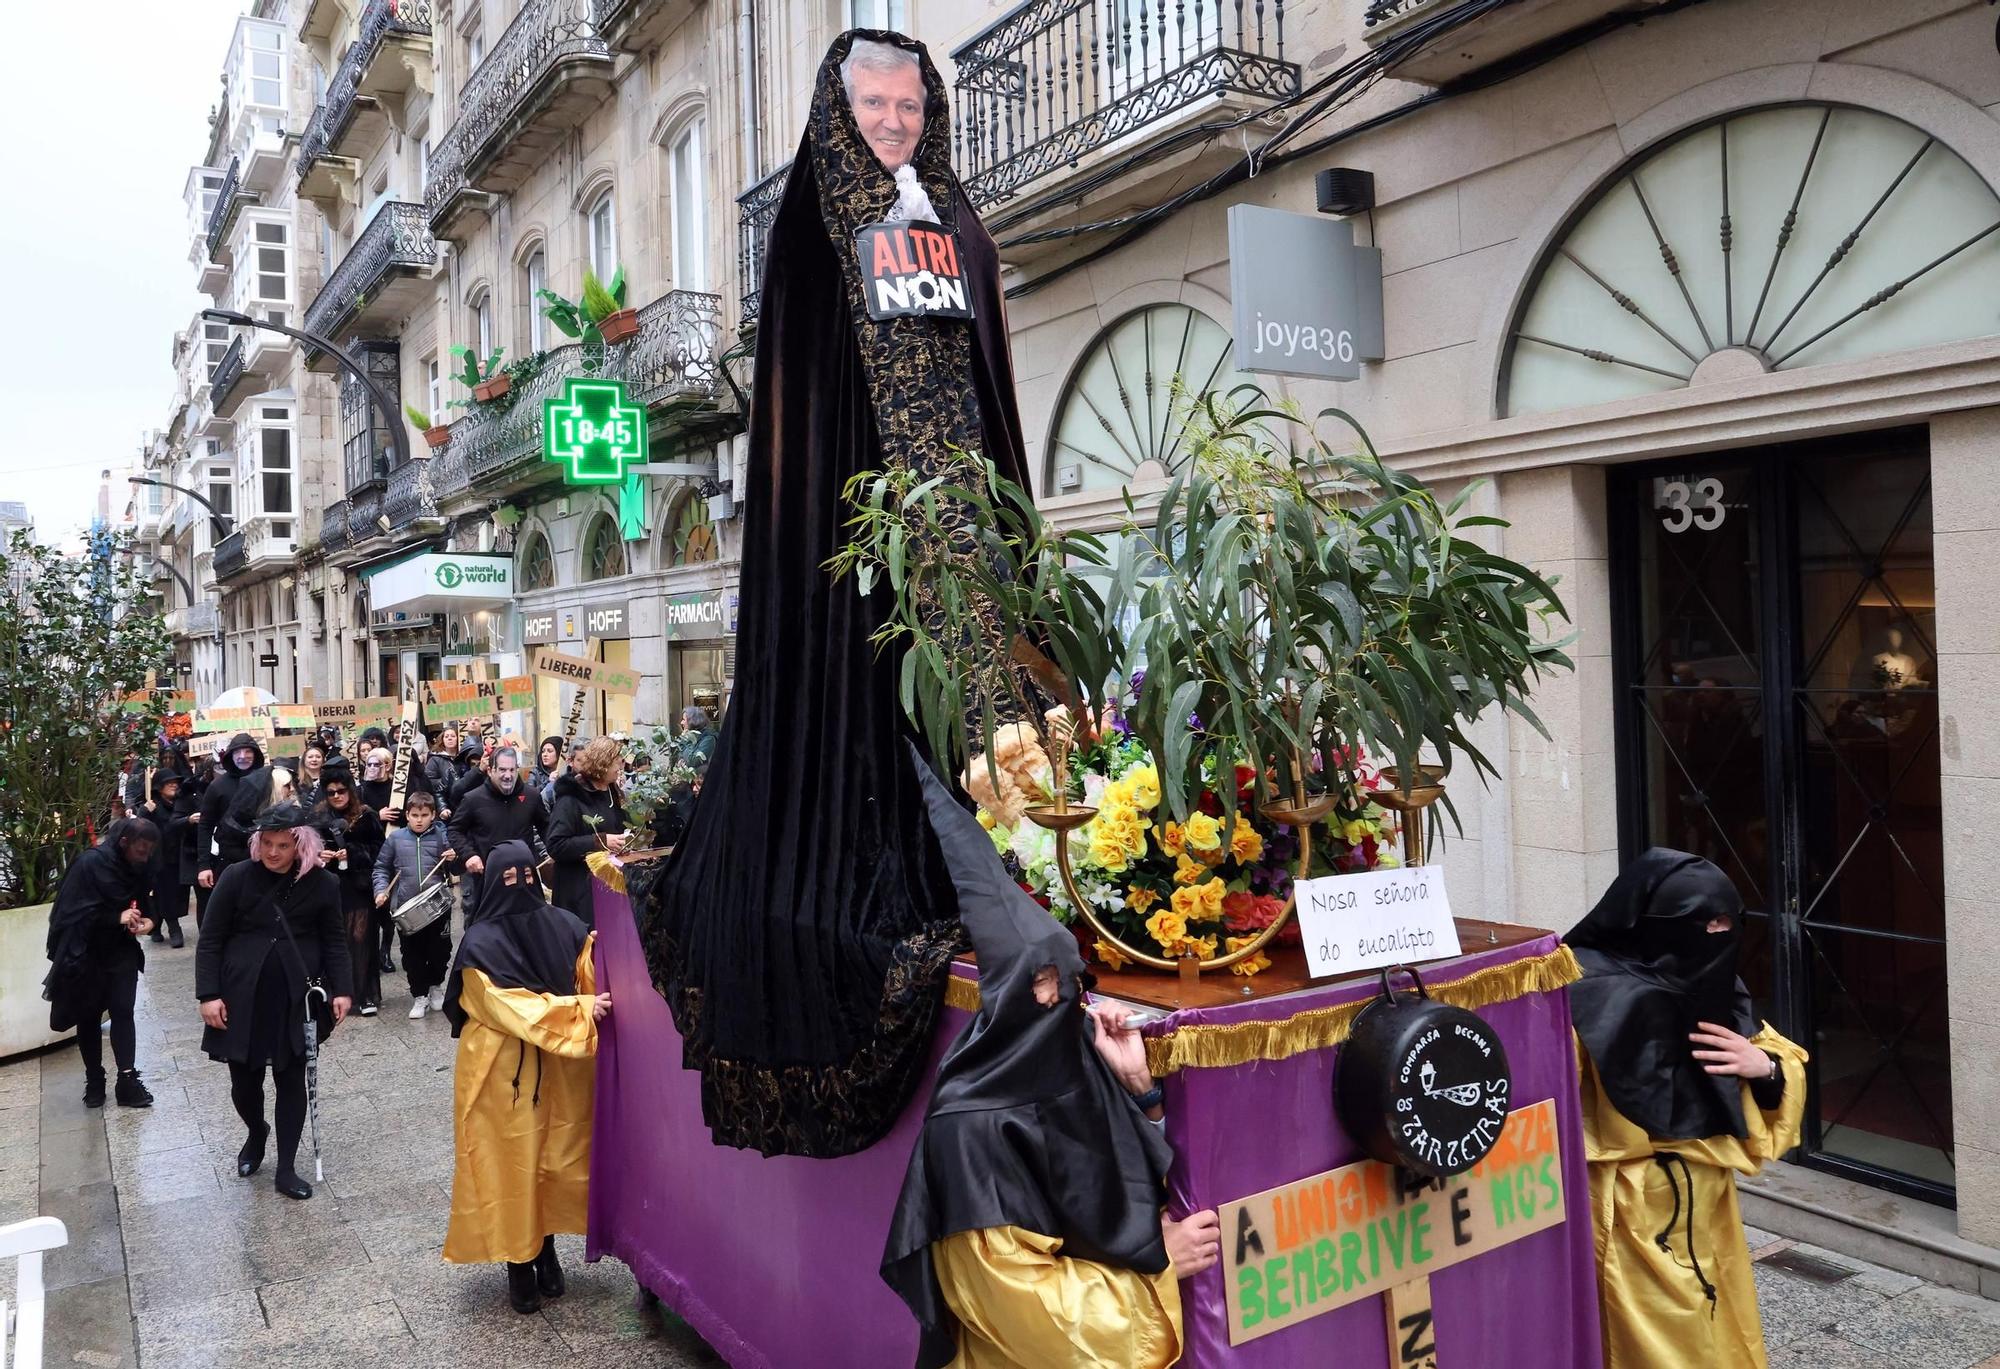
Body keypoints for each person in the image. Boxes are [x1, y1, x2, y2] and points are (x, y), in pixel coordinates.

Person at [641, 30, 1040, 1157]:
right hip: (863, 532)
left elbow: (986, 366)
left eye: (908, 106)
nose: (893, 124)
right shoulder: (816, 222)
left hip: (963, 510)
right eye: (874, 106)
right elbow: (807, 391)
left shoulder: (958, 219)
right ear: (841, 110)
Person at [883, 753, 1217, 1366]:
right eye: (1042, 982)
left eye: (1070, 979)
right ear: (1009, 994)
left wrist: (1140, 1092)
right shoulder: (967, 1134)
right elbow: (1031, 1316)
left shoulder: (1075, 1063)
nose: (1062, 998)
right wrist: (1160, 1267)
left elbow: (1123, 1191)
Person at [1565, 849, 1808, 1369]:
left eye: (1727, 922)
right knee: (1656, 1346)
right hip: (1628, 1212)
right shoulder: (1582, 994)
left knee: (1719, 1327)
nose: (1717, 934)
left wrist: (1763, 1067)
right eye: (1702, 922)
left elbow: (1774, 1057)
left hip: (1709, 1202)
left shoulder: (1711, 980)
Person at [441, 840, 607, 1314]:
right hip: (503, 1074)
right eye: (509, 878)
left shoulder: (565, 926)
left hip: (551, 1068)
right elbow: (499, 1004)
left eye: (525, 876)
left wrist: (602, 952)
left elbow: (589, 975)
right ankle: (519, 1263)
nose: (518, 885)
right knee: (510, 1164)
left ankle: (545, 1249)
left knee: (550, 1158)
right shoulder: (480, 943)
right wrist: (577, 1010)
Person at [195, 804, 353, 1201]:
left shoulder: (323, 884)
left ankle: (286, 1167)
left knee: (291, 1079)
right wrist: (208, 994)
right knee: (243, 1083)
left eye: (282, 845)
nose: (272, 852)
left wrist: (343, 989)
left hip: (295, 997)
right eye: (266, 843)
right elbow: (211, 938)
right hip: (241, 994)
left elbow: (335, 940)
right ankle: (256, 1131)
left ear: (300, 845)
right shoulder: (237, 876)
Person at [43, 820, 161, 1109]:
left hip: (121, 951)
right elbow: (67, 915)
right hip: (87, 954)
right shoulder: (90, 864)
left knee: (123, 1010)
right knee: (89, 1016)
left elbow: (145, 901)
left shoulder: (139, 865)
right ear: (124, 842)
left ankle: (127, 1080)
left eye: (149, 851)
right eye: (140, 850)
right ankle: (94, 1078)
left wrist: (148, 921)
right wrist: (114, 917)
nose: (144, 856)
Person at [373, 789, 458, 1019]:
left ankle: (436, 985)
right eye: (414, 815)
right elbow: (381, 868)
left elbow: (455, 869)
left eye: (424, 815)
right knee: (412, 955)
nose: (419, 820)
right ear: (407, 816)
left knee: (440, 950)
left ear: (433, 815)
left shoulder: (441, 837)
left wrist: (454, 859)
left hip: (437, 907)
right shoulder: (395, 839)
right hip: (406, 907)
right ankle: (420, 995)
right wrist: (381, 891)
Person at [314, 760, 386, 1016]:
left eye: (341, 791)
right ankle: (336, 994)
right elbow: (304, 850)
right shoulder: (318, 817)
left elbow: (381, 851)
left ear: (350, 790)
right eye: (331, 792)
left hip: (359, 887)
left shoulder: (366, 815)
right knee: (335, 939)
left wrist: (353, 853)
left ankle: (364, 994)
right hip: (328, 888)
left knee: (361, 938)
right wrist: (319, 855)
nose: (336, 796)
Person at [446, 746, 549, 918]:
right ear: (490, 770)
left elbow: (546, 827)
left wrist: (554, 849)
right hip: (488, 884)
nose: (508, 775)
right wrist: (469, 855)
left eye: (512, 770)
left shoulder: (531, 796)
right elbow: (455, 830)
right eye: (502, 770)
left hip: (524, 883)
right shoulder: (473, 799)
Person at [543, 736, 630, 928]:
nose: (620, 767)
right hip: (578, 895)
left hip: (608, 890)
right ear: (602, 764)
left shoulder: (613, 792)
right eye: (616, 761)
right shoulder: (570, 799)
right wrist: (599, 841)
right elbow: (556, 845)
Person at [199, 732, 267, 887]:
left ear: (256, 754)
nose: (243, 756)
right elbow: (205, 826)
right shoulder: (217, 786)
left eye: (248, 751)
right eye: (237, 752)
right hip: (228, 859)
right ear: (230, 755)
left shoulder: (268, 782)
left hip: (263, 856)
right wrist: (204, 865)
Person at [141, 771, 191, 948]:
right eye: (169, 782)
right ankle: (173, 927)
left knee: (175, 893)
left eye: (175, 782)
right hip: (159, 858)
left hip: (180, 856)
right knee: (164, 893)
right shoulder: (153, 806)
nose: (174, 785)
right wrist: (144, 811)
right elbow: (140, 827)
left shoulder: (181, 804)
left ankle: (156, 925)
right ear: (159, 787)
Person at [174, 754, 212, 928]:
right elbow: (174, 823)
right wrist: (189, 819)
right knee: (205, 902)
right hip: (196, 852)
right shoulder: (189, 791)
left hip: (223, 852)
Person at [675, 707, 717, 772]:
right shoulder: (690, 736)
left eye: (684, 719)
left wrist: (685, 740)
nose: (681, 722)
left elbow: (693, 761)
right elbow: (680, 755)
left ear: (693, 722)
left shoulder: (709, 739)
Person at [529, 737, 564, 805]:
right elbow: (529, 795)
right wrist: (548, 782)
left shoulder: (566, 771)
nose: (545, 754)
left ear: (559, 753)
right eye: (543, 751)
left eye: (550, 751)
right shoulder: (535, 772)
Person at [295, 740, 327, 810]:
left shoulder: (328, 779)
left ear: (323, 760)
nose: (314, 759)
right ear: (304, 760)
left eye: (318, 757)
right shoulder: (296, 781)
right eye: (310, 757)